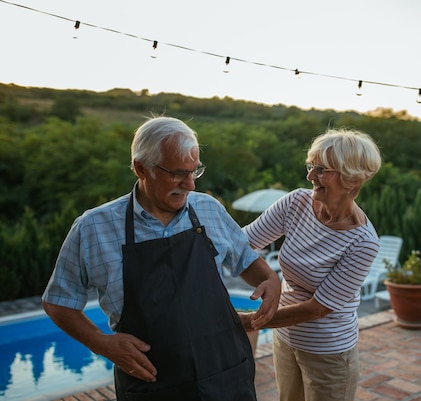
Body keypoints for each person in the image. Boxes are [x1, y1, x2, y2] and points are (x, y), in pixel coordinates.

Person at [42, 116, 280, 401]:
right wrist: (99, 342)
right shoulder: (93, 228)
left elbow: (246, 260)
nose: (190, 184)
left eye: (195, 171)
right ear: (141, 168)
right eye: (178, 173)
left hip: (226, 376)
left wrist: (269, 278)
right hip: (152, 386)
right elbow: (58, 301)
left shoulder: (209, 210)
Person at [241, 128, 382, 401]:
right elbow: (243, 242)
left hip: (328, 353)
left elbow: (317, 308)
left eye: (320, 170)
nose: (309, 177)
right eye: (311, 166)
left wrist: (250, 322)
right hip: (285, 339)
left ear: (351, 178)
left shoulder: (363, 242)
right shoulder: (296, 202)